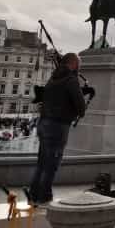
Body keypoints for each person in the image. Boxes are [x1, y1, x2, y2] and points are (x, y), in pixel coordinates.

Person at [27, 53, 87, 204]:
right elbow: (81, 107)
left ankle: (33, 194)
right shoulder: (71, 80)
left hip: (44, 123)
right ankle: (44, 197)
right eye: (79, 64)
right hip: (58, 126)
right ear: (73, 64)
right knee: (52, 164)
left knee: (42, 162)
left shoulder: (52, 78)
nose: (80, 67)